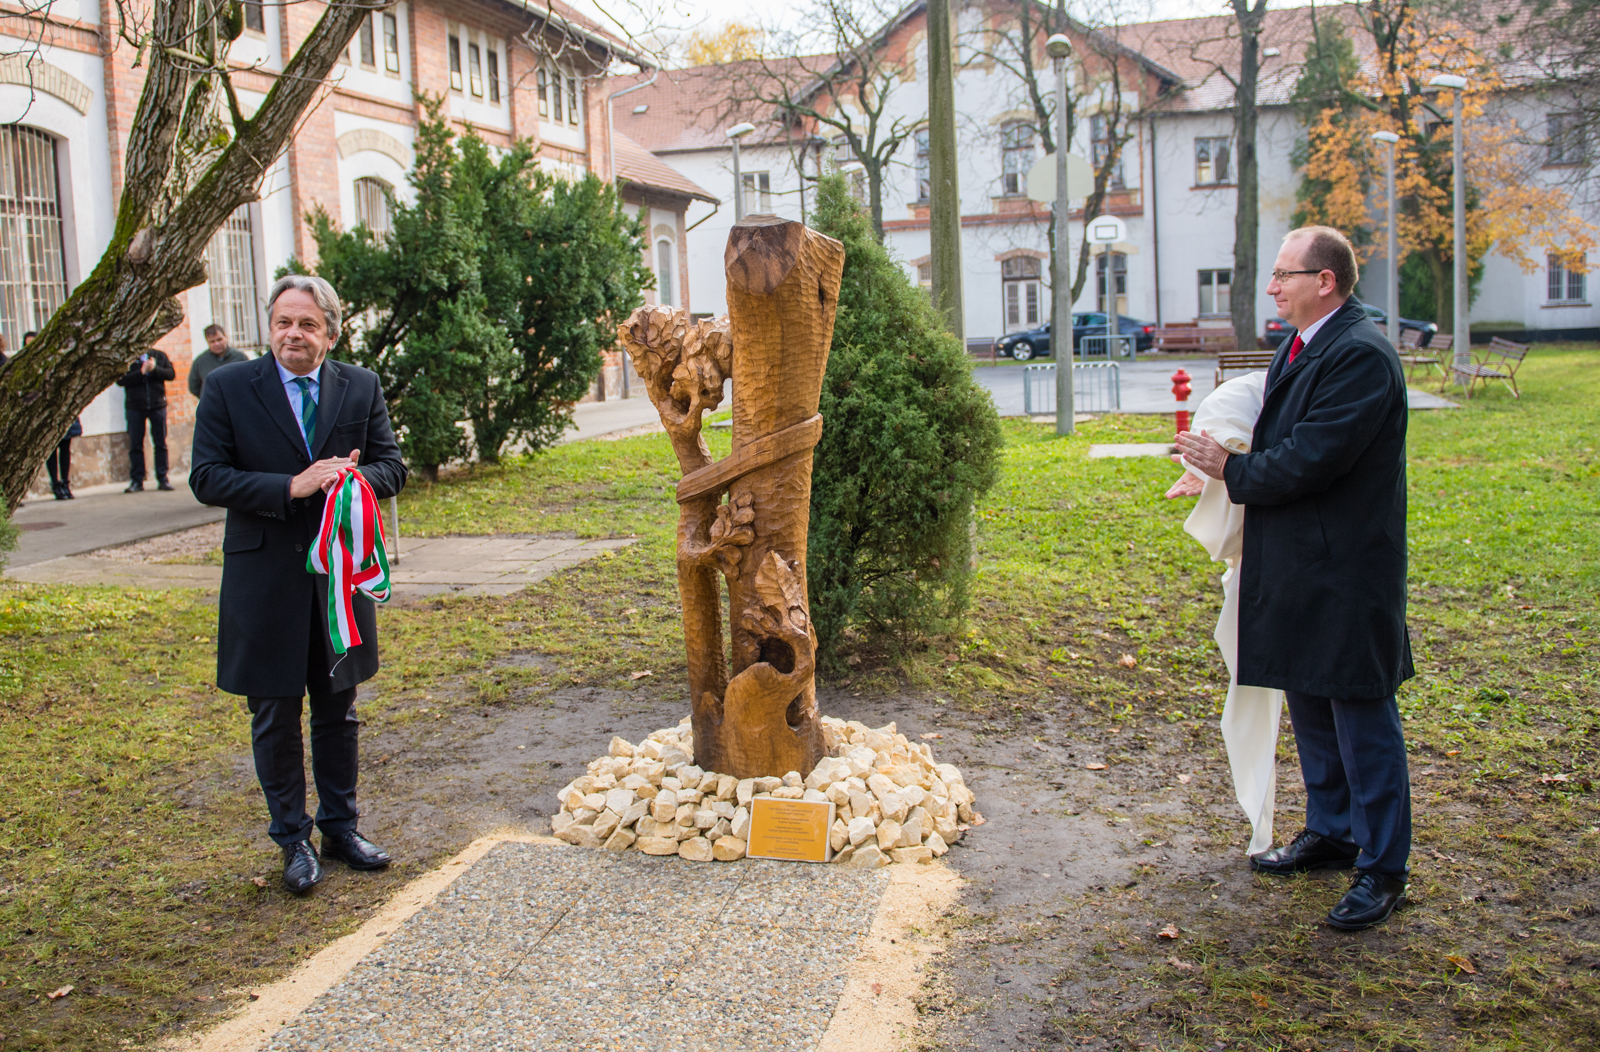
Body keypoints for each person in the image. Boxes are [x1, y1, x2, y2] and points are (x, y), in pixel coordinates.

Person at [1173, 225, 1413, 932]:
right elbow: (1276, 434)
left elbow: (1313, 458)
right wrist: (1213, 467)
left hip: (1344, 567)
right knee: (1309, 698)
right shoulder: (1304, 344)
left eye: (1284, 275)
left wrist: (1231, 470)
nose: (1273, 286)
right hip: (1298, 561)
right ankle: (1333, 830)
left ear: (1326, 281)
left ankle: (1383, 866)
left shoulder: (1363, 357)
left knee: (1361, 714)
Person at [190, 274, 407, 894]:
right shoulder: (230, 386)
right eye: (284, 321)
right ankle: (293, 839)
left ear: (331, 333)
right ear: (270, 327)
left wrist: (354, 480)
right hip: (265, 580)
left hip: (339, 583)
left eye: (308, 324)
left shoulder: (359, 385)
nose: (293, 334)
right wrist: (292, 486)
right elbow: (207, 477)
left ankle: (341, 829)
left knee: (338, 708)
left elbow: (392, 464)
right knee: (275, 713)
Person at [29, 331, 83, 500]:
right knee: (51, 450)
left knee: (65, 448)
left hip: (62, 410)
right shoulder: (29, 367)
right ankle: (56, 484)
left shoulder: (56, 361)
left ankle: (66, 483)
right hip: (45, 413)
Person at [117, 345, 176, 492]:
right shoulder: (127, 358)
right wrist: (141, 372)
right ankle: (137, 480)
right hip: (135, 406)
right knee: (135, 444)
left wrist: (154, 369)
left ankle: (163, 479)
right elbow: (120, 380)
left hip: (157, 405)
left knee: (160, 443)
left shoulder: (159, 355)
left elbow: (170, 374)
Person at [189, 323, 249, 400]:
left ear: (226, 337)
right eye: (212, 341)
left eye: (219, 339)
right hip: (212, 406)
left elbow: (249, 381)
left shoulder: (240, 358)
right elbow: (193, 387)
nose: (217, 344)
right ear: (207, 342)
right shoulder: (200, 361)